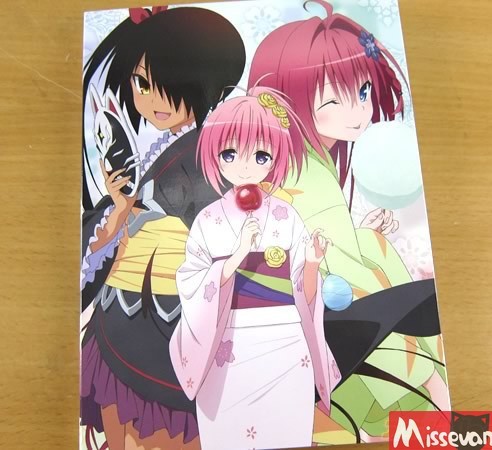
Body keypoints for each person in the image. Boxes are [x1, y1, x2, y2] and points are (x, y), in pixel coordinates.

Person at [248, 0, 449, 443]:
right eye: (333, 99)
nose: (359, 111)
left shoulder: (303, 162)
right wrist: (429, 377)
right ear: (285, 103)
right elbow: (345, 276)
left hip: (323, 318)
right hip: (328, 320)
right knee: (443, 422)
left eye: (362, 91)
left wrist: (362, 237)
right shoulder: (301, 172)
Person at [80, 6, 245, 449]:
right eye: (141, 84)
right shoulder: (156, 149)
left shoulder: (213, 155)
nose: (152, 100)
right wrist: (120, 209)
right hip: (128, 313)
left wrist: (139, 217)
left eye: (169, 86)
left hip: (167, 321)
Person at [170, 88, 341, 450]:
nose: (245, 166)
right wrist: (234, 259)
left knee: (288, 433)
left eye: (261, 155)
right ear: (216, 156)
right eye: (230, 153)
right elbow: (190, 283)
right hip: (228, 345)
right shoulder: (208, 220)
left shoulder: (286, 216)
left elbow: (305, 293)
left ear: (274, 159)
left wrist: (312, 264)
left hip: (285, 343)